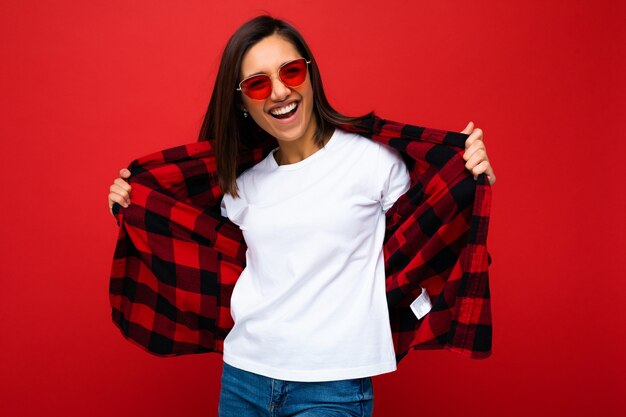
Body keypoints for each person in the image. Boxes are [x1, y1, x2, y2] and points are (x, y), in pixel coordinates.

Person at [107, 15, 496, 417]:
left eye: (290, 71)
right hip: (244, 376)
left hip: (333, 386)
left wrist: (470, 177)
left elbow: (428, 232)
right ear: (241, 101)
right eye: (258, 83)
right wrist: (132, 207)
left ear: (310, 75)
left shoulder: (371, 161)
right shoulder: (242, 183)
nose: (279, 91)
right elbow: (187, 243)